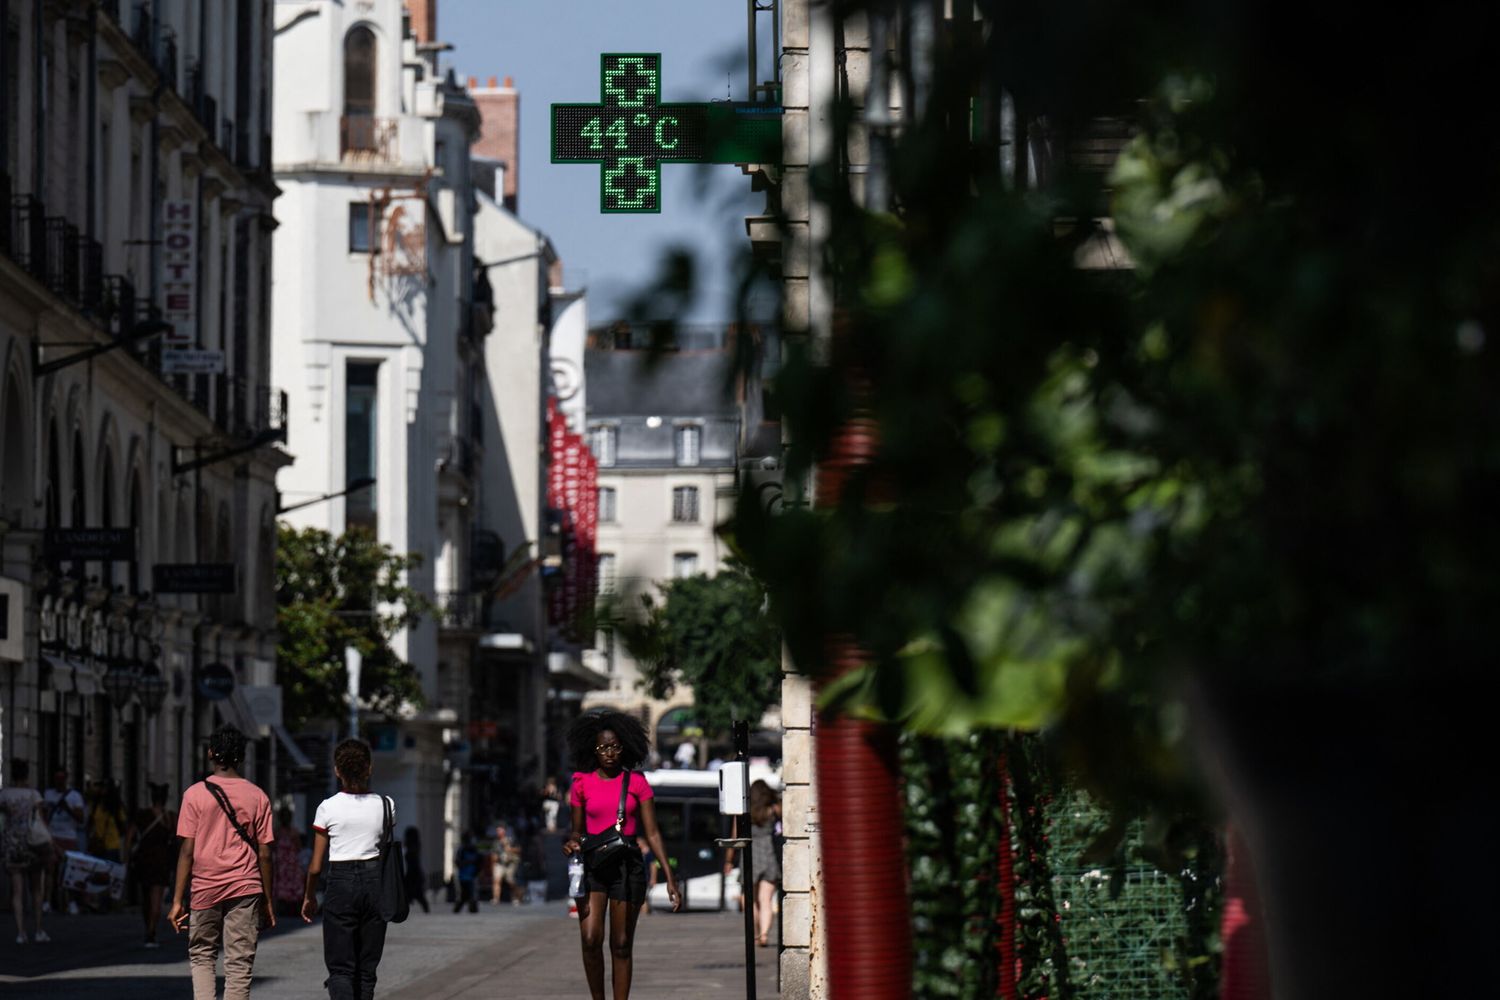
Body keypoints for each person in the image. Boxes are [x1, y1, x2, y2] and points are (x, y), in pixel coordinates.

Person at [563, 709, 681, 1000]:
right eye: (603, 747)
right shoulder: (581, 783)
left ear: (624, 747)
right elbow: (576, 830)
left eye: (615, 746)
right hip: (592, 866)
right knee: (591, 939)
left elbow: (652, 833)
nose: (609, 753)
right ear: (593, 748)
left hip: (627, 868)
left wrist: (669, 876)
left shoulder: (637, 783)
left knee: (621, 943)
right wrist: (572, 842)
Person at [168, 724, 276, 1000]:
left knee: (202, 955)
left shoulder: (193, 795)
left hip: (205, 887)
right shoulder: (258, 796)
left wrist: (178, 899)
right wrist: (267, 898)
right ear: (241, 757)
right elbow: (264, 853)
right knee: (239, 963)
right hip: (246, 886)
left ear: (210, 753)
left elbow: (186, 851)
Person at [302, 739, 394, 1000]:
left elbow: (316, 866)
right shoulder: (386, 805)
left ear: (336, 771)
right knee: (366, 969)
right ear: (369, 769)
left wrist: (309, 897)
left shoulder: (327, 808)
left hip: (340, 883)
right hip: (375, 882)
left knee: (341, 968)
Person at [1, 760, 51, 944]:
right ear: (27, 774)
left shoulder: (4, 794)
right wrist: (50, 841)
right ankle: (38, 929)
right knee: (37, 889)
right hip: (33, 844)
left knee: (17, 890)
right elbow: (41, 820)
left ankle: (20, 932)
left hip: (13, 844)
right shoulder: (33, 795)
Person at [127, 782, 177, 947]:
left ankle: (147, 928)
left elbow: (130, 836)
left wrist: (128, 855)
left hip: (144, 859)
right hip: (162, 861)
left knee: (146, 896)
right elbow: (178, 839)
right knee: (157, 897)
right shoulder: (170, 817)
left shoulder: (142, 814)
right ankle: (151, 931)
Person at [43, 768, 85, 914]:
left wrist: (67, 808)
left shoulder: (74, 796)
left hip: (69, 837)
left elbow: (81, 818)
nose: (59, 782)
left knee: (70, 871)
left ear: (66, 780)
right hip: (52, 836)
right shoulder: (48, 794)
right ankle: (47, 901)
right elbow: (43, 815)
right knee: (50, 870)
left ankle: (71, 902)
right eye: (57, 779)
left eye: (61, 779)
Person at [271, 807, 306, 917]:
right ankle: (293, 908)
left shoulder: (277, 832)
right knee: (292, 886)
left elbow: (273, 847)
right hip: (290, 864)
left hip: (283, 864)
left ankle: (285, 909)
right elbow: (299, 847)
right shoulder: (292, 832)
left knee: (283, 885)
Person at [491, 821, 520, 904]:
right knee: (497, 880)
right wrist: (494, 860)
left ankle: (515, 897)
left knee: (510, 881)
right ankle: (496, 898)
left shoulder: (511, 839)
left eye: (499, 830)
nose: (498, 832)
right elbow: (493, 854)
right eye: (497, 831)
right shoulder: (496, 842)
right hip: (500, 863)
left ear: (504, 831)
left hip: (510, 863)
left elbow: (519, 849)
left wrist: (510, 849)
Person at [401, 827, 429, 913]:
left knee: (413, 895)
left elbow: (413, 865)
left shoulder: (411, 850)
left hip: (412, 875)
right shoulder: (415, 848)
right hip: (414, 875)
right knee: (418, 896)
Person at [452, 832, 479, 913]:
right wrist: (467, 862)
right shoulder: (462, 849)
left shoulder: (473, 849)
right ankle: (460, 909)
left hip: (470, 875)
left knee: (471, 894)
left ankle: (472, 909)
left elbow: (478, 861)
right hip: (464, 876)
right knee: (464, 895)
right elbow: (457, 862)